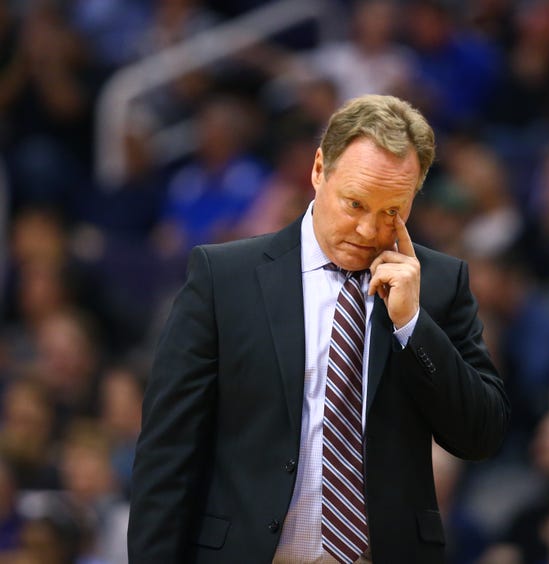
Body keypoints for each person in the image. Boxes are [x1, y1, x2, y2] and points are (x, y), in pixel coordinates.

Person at [128, 94, 510, 563]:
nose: (370, 230)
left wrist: (413, 325)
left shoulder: (440, 284)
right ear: (317, 170)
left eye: (393, 211)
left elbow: (482, 435)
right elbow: (168, 452)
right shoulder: (224, 277)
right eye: (355, 203)